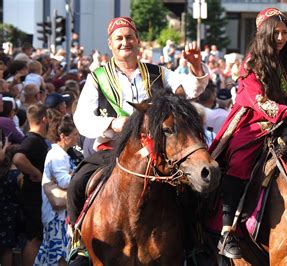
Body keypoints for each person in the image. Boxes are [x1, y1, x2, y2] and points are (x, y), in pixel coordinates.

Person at [69, 15, 208, 238]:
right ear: (110, 44)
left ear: (138, 40)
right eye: (119, 38)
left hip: (157, 151)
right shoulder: (97, 77)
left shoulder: (158, 72)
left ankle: (195, 240)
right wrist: (112, 123)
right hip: (113, 149)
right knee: (78, 182)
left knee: (190, 189)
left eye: (129, 37)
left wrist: (195, 67)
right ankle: (77, 239)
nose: (125, 42)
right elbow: (82, 118)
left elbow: (191, 90)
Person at [209, 8, 287, 259]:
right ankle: (227, 230)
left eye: (284, 32)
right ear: (264, 34)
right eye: (275, 33)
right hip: (255, 121)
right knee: (240, 160)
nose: (280, 37)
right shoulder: (252, 63)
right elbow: (258, 101)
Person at [34, 115, 79, 266]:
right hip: (55, 217)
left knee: (51, 254)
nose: (77, 138)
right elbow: (64, 181)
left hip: (57, 215)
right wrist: (79, 175)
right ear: (63, 136)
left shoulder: (61, 154)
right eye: (74, 134)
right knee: (55, 256)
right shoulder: (57, 155)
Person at [12, 103, 50, 266]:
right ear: (44, 119)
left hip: (35, 196)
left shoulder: (36, 140)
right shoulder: (33, 140)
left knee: (36, 237)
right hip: (33, 197)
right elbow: (18, 158)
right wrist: (37, 173)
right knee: (34, 238)